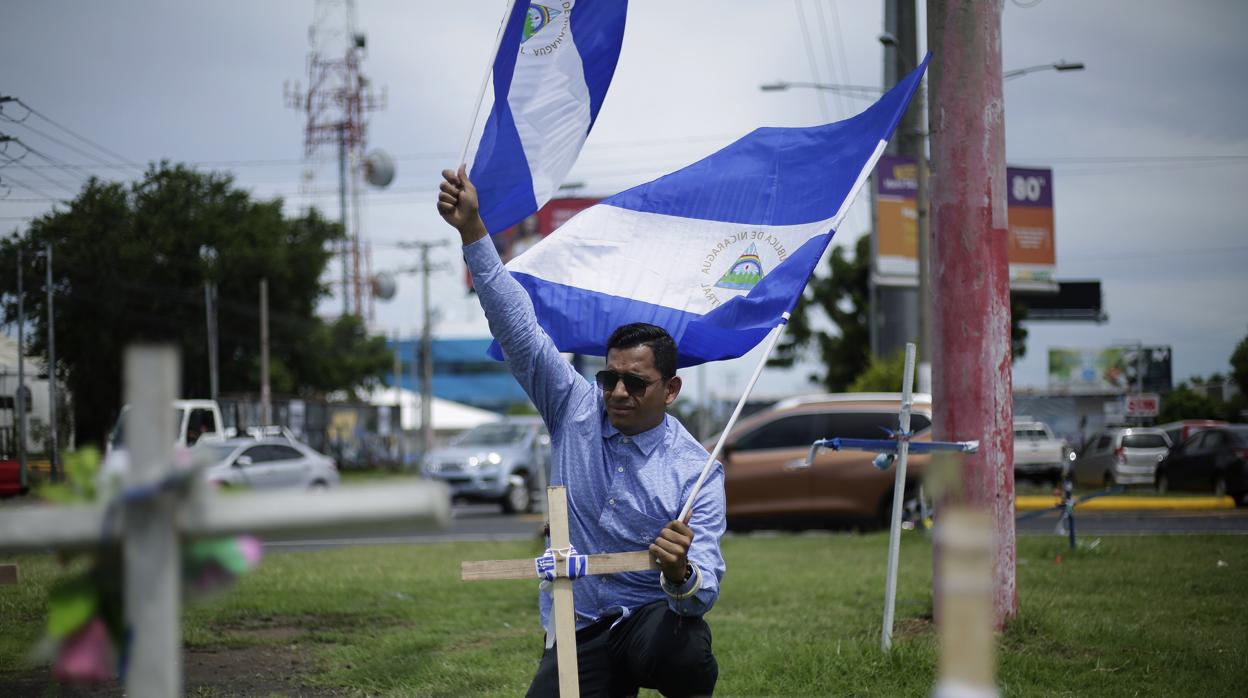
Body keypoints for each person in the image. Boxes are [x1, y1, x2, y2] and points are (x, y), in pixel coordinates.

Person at [438, 166, 725, 698]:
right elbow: (517, 327)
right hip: (579, 621)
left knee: (684, 653)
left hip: (648, 619)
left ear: (671, 389)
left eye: (636, 383)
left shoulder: (697, 471)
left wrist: (681, 573)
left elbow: (702, 588)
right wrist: (473, 231)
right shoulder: (572, 407)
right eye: (609, 377)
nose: (617, 392)